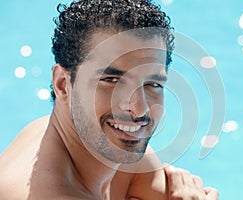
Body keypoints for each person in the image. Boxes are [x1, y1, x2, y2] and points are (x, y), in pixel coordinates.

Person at [0, 0, 218, 199]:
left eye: (153, 84)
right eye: (111, 80)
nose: (139, 109)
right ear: (62, 84)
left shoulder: (118, 157)